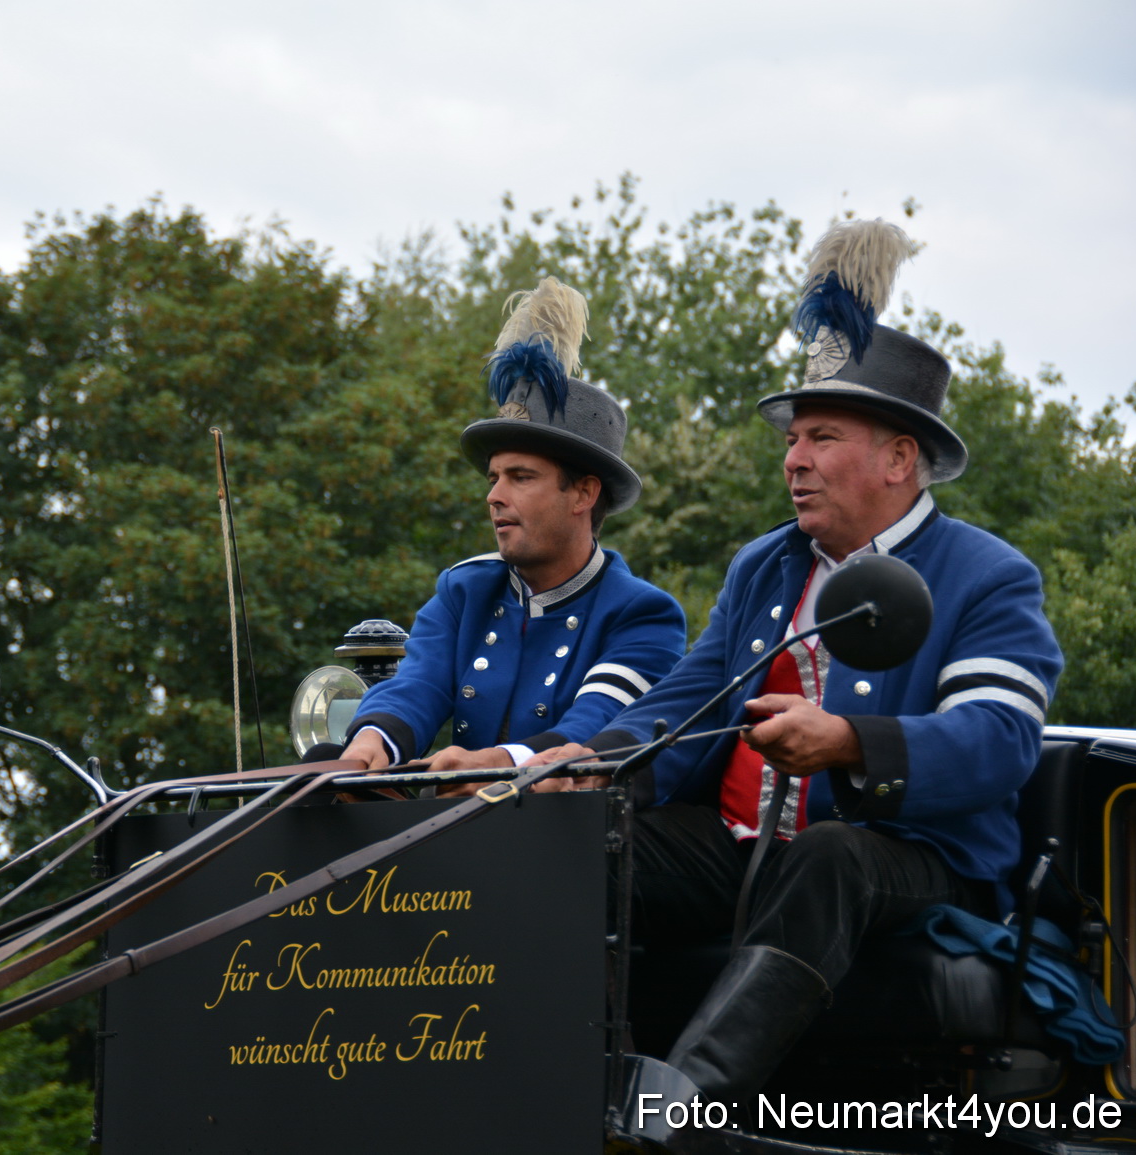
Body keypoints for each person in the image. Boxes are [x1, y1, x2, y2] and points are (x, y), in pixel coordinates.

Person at [527, 219, 1064, 1114]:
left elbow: (999, 740)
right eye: (791, 440)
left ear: (900, 459)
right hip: (746, 846)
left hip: (915, 856)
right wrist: (586, 765)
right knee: (587, 835)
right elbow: (692, 697)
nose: (793, 460)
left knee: (828, 856)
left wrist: (853, 742)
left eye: (820, 435)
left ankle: (683, 1107)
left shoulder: (988, 575)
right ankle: (561, 1087)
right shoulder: (763, 565)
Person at [328, 277, 686, 781]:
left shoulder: (642, 614)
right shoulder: (464, 590)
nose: (494, 496)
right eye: (494, 477)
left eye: (521, 478)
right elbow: (418, 686)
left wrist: (493, 765)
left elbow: (592, 729)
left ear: (584, 493)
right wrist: (372, 741)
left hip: (566, 847)